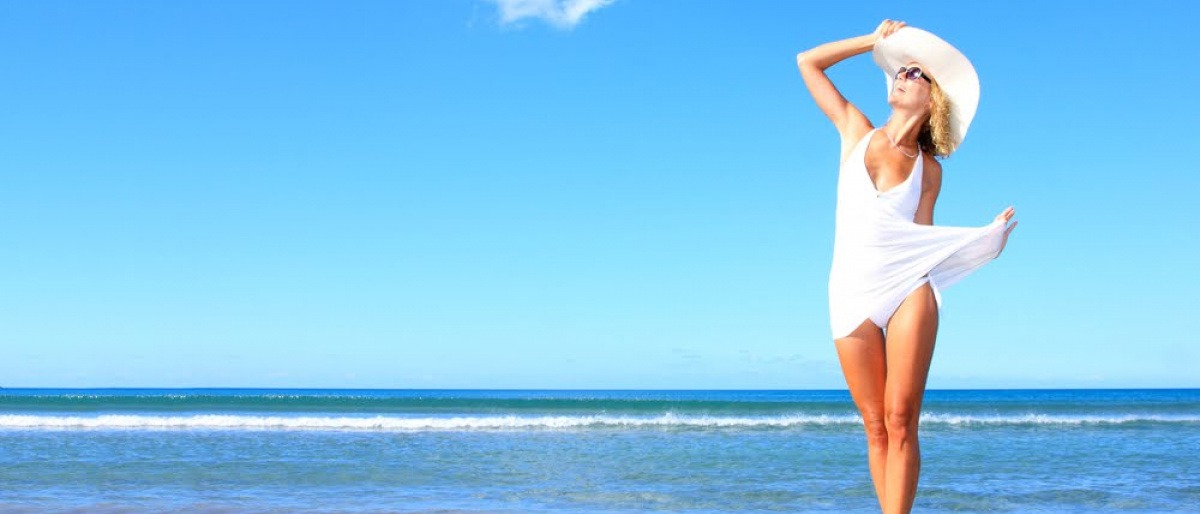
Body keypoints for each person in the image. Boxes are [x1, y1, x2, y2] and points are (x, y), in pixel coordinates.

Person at [796, 20, 1018, 514]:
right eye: (902, 70)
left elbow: (919, 242)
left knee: (901, 418)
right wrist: (873, 42)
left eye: (915, 73)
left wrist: (985, 239)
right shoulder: (855, 132)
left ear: (933, 99)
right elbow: (806, 62)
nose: (902, 74)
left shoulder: (929, 170)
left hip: (907, 287)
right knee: (874, 424)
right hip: (850, 289)